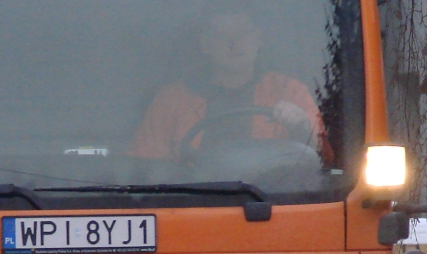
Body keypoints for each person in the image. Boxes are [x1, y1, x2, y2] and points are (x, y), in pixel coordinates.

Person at [128, 11, 329, 162]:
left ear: (258, 39)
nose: (234, 43)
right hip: (190, 208)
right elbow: (144, 169)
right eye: (221, 35)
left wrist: (302, 126)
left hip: (272, 206)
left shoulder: (289, 92)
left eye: (242, 33)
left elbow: (326, 160)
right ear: (205, 45)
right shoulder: (171, 100)